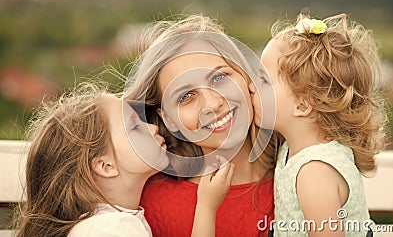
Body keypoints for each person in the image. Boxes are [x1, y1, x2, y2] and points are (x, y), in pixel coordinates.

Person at [126, 15, 282, 236]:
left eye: (219, 78)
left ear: (246, 77)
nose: (212, 104)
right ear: (168, 120)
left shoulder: (303, 175)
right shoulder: (150, 205)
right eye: (186, 96)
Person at [16, 83, 234, 237]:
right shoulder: (112, 229)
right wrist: (206, 207)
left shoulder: (109, 224)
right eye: (135, 127)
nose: (153, 127)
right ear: (106, 166)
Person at [250, 12, 387, 236]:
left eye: (264, 80)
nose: (251, 85)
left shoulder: (314, 173)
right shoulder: (293, 147)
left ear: (303, 105)